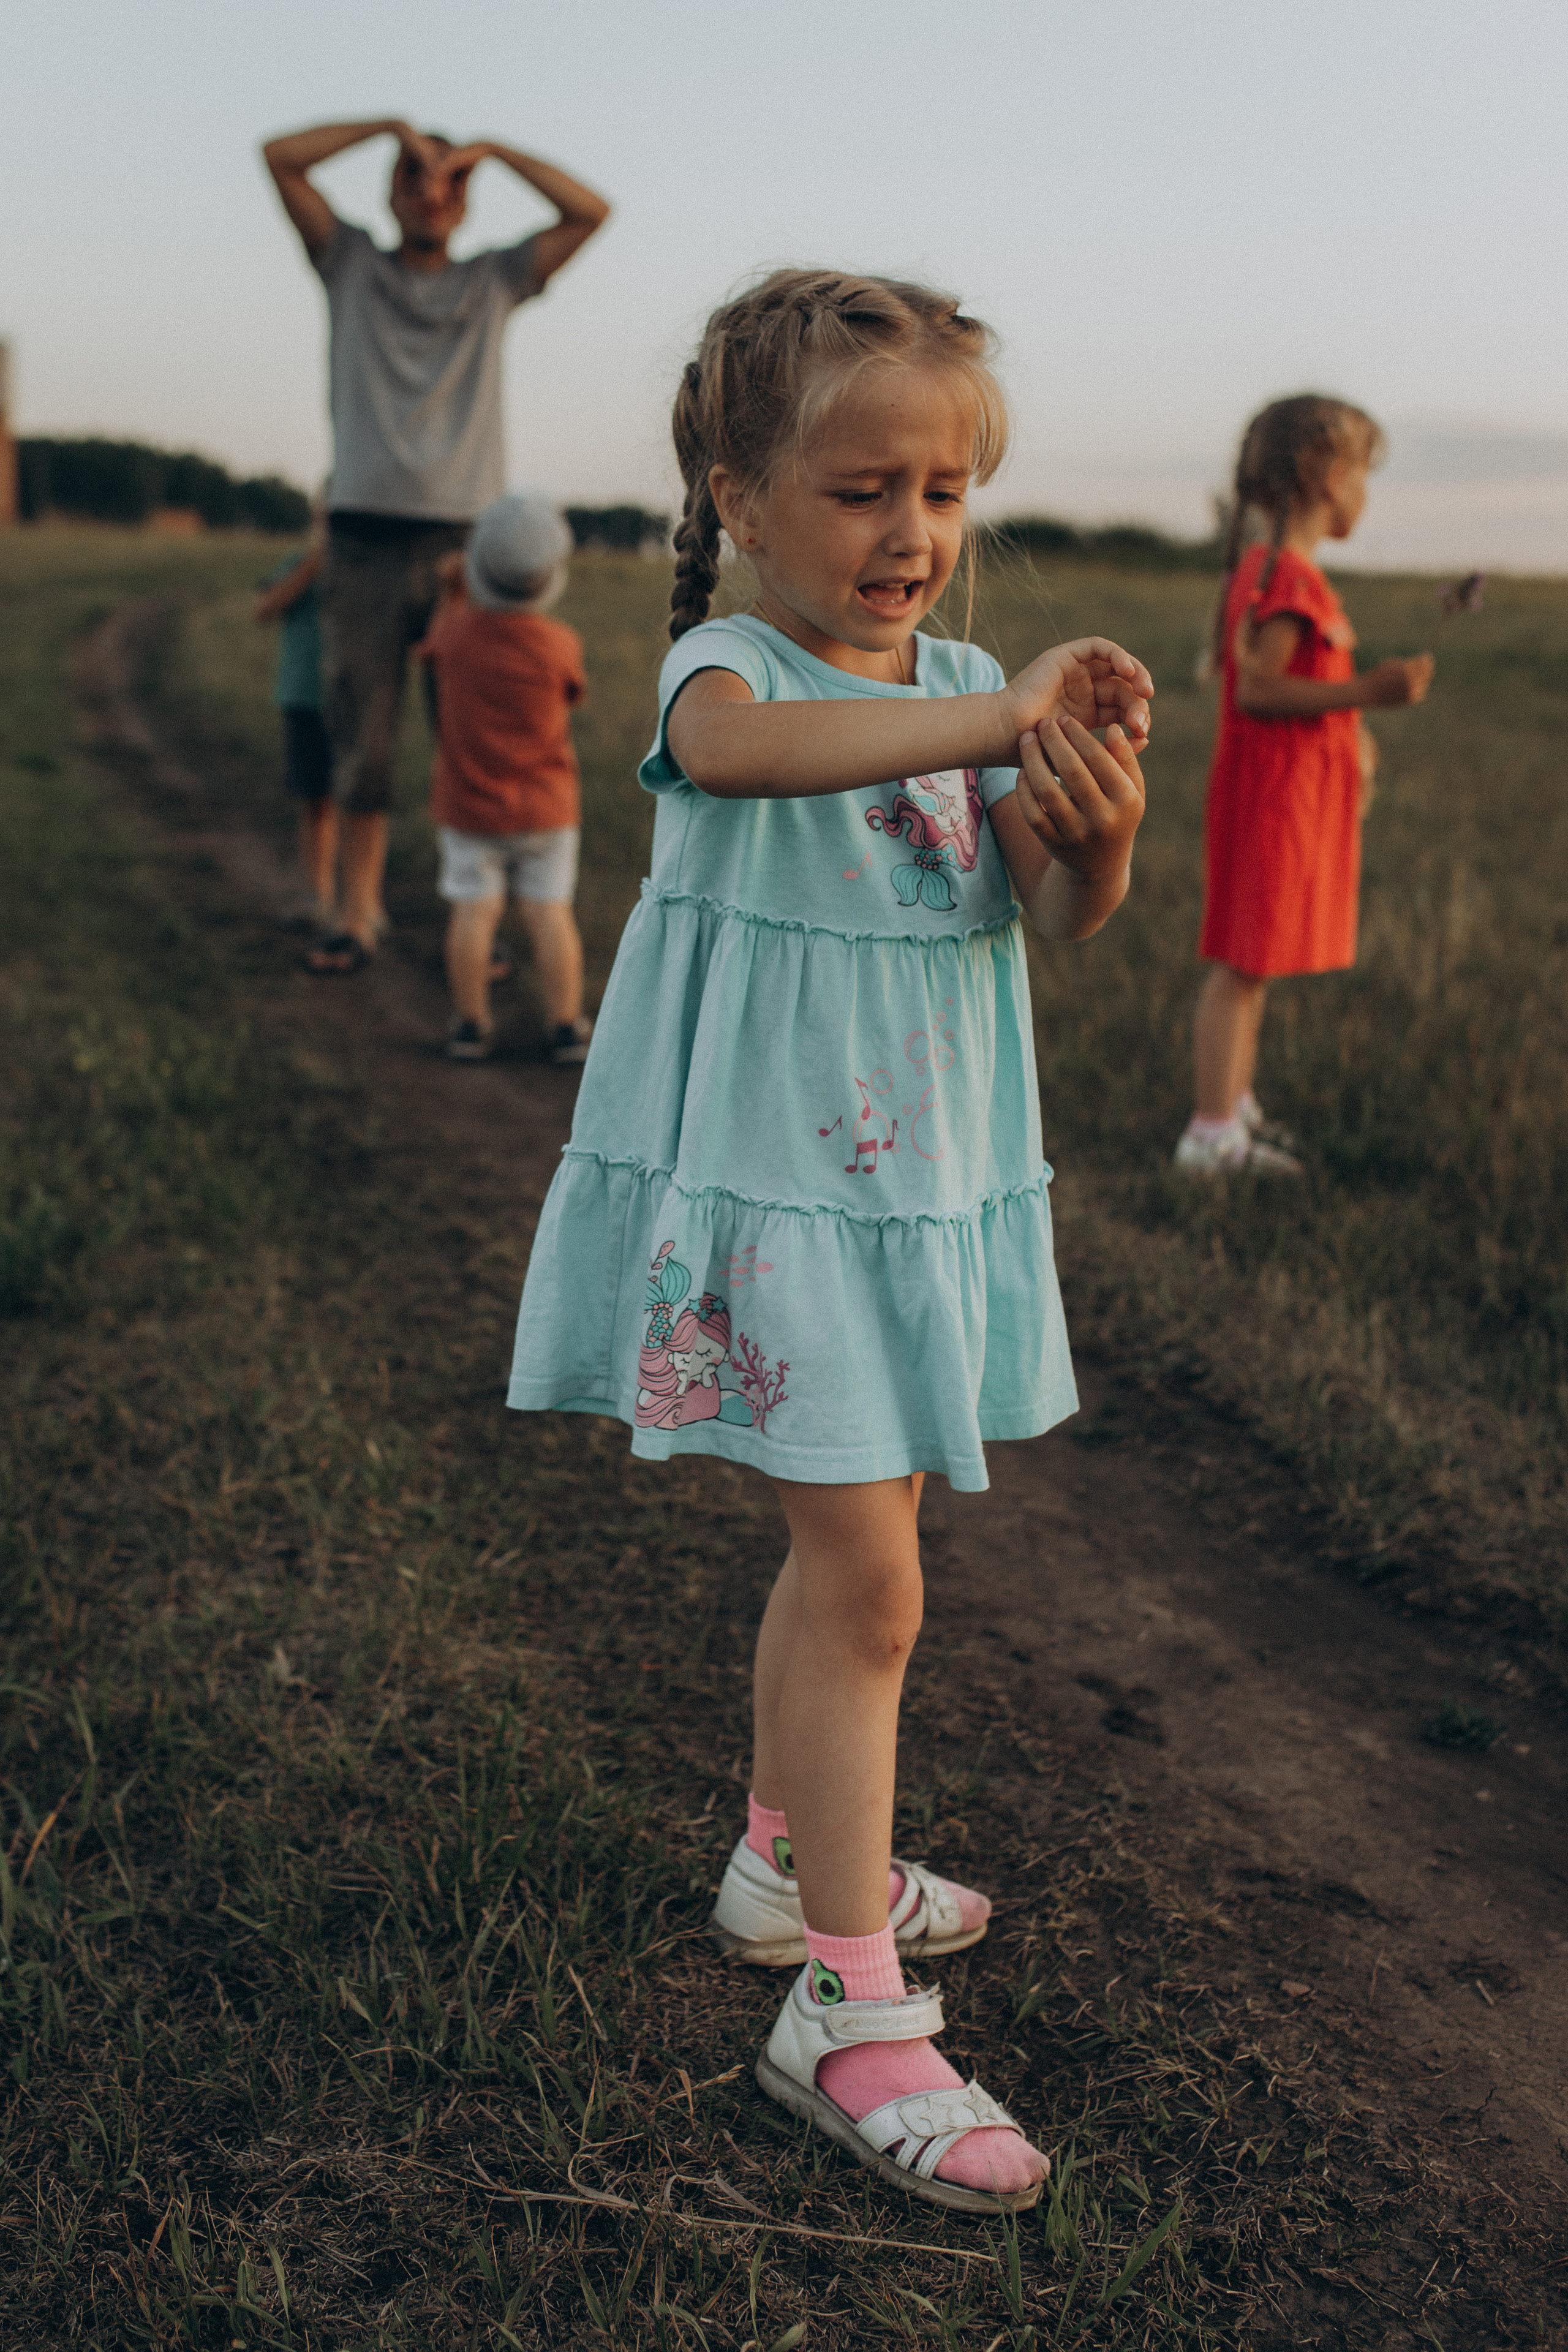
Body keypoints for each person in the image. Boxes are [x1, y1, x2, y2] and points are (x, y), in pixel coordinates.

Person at [506, 271, 1153, 2213]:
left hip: (907, 1202)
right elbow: (732, 765)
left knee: (852, 1563)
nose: (912, 531)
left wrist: (1098, 818)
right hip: (782, 1205)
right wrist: (999, 708)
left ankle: (789, 1866)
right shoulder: (729, 669)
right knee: (874, 1589)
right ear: (741, 497)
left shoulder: (960, 677)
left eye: (943, 491)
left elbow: (1052, 911)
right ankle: (849, 2012)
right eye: (864, 489)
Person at [260, 116, 610, 976]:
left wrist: (495, 150)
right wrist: (389, 127)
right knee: (363, 737)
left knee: (472, 741)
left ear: (466, 203)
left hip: (464, 547)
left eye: (451, 183)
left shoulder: (493, 281)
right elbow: (281, 159)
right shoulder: (350, 263)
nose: (430, 193)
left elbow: (589, 212)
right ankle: (356, 914)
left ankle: (475, 930)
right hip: (361, 538)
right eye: (413, 177)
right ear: (389, 193)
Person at [1175, 396, 1434, 1174]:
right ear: (1327, 477)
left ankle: (1234, 1107)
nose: (1364, 494)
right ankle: (1210, 1135)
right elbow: (1259, 690)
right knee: (1240, 965)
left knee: (1253, 963)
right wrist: (1368, 694)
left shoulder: (1277, 573)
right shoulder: (1286, 578)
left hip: (1281, 797)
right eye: (1362, 475)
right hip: (1273, 803)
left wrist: (1353, 733)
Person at [416, 491, 594, 1065]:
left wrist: (452, 594)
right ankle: (566, 1026)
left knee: (474, 912)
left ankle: (471, 1026)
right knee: (549, 912)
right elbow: (574, 695)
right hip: (547, 810)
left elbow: (432, 649)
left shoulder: (455, 634)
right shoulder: (561, 644)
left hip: (469, 806)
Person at [253, 501, 339, 930]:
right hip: (305, 697)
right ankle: (316, 894)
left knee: (354, 800)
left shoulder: (362, 572)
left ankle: (358, 903)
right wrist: (314, 564)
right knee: (315, 800)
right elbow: (264, 609)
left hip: (352, 699)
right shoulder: (298, 562)